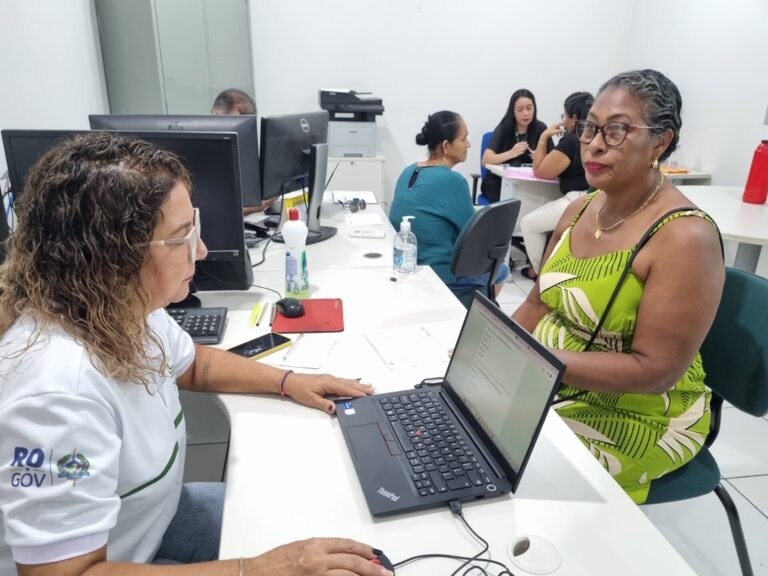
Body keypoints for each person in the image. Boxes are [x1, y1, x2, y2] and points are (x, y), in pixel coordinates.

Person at [0, 132, 392, 576]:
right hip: (120, 562)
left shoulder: (123, 307)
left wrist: (288, 381)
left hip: (151, 525)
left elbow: (196, 364)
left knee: (315, 516)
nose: (201, 251)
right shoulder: (56, 392)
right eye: (183, 237)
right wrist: (259, 569)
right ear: (114, 258)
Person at [513, 69, 724, 505]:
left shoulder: (684, 237)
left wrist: (535, 361)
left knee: (522, 463)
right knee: (475, 422)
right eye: (591, 126)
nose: (593, 142)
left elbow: (656, 371)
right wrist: (497, 352)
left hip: (642, 409)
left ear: (661, 142)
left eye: (617, 130)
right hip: (558, 376)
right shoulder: (581, 208)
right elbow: (536, 302)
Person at [389, 111, 509, 299]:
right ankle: (475, 309)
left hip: (408, 264)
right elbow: (474, 238)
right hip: (444, 274)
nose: (469, 144)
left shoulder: (409, 170)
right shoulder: (453, 181)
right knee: (502, 270)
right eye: (464, 138)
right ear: (446, 146)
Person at [520, 91, 595, 279]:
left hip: (578, 199)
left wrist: (544, 136)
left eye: (565, 116)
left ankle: (540, 276)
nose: (564, 121)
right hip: (596, 198)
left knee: (528, 223)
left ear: (574, 118)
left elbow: (540, 170)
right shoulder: (596, 134)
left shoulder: (572, 140)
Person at [480, 89, 554, 203]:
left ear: (534, 109)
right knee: (511, 202)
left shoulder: (541, 128)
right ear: (513, 112)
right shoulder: (503, 128)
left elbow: (553, 158)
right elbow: (485, 160)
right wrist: (511, 153)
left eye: (529, 108)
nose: (525, 113)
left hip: (530, 182)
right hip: (501, 180)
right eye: (520, 109)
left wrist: (541, 157)